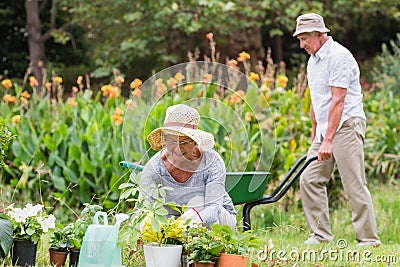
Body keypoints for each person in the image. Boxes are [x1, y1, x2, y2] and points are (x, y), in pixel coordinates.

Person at [293, 13, 380, 246]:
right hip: (326, 130)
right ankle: (321, 236)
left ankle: (368, 239)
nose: (302, 45)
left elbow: (338, 100)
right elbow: (316, 101)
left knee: (353, 183)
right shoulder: (314, 60)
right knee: (309, 179)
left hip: (346, 126)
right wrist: (316, 136)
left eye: (304, 39)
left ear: (319, 35)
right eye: (299, 39)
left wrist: (329, 139)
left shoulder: (339, 56)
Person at [139, 104, 237, 228]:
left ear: (195, 142)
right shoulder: (154, 167)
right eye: (172, 141)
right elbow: (145, 208)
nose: (178, 149)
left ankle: (202, 246)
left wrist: (186, 225)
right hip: (174, 225)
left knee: (197, 203)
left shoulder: (211, 161)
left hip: (219, 219)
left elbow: (214, 208)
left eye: (184, 142)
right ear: (164, 141)